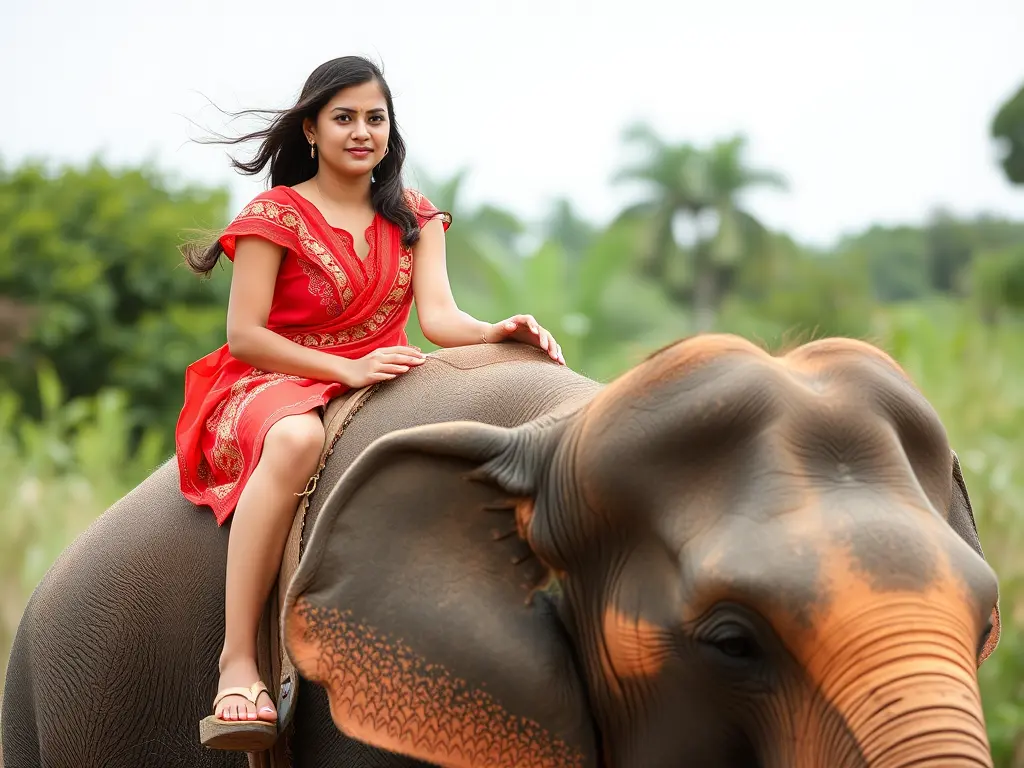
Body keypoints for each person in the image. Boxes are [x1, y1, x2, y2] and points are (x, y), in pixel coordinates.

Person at [176, 55, 564, 752]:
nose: (363, 132)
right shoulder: (274, 214)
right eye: (345, 118)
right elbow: (245, 335)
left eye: (375, 118)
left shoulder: (415, 214)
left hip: (379, 374)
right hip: (270, 381)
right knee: (296, 441)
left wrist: (495, 330)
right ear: (312, 130)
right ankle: (238, 661)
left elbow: (440, 318)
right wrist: (343, 368)